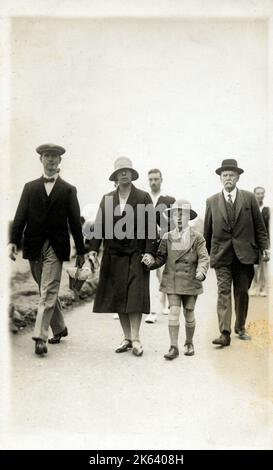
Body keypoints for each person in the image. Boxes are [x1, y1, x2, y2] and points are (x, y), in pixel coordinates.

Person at [8, 143, 85, 356]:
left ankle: (40, 337)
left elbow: (75, 223)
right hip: (33, 245)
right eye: (47, 156)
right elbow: (20, 215)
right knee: (46, 290)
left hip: (56, 247)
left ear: (60, 161)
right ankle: (59, 328)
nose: (50, 160)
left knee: (49, 289)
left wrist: (81, 250)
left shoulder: (69, 189)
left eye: (54, 156)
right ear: (40, 160)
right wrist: (13, 241)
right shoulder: (29, 187)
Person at [88, 157, 157, 357]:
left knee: (135, 297)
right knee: (119, 297)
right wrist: (93, 248)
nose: (124, 174)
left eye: (127, 170)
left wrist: (150, 252)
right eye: (120, 171)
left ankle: (136, 339)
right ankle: (126, 338)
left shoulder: (143, 197)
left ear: (132, 174)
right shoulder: (107, 198)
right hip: (114, 255)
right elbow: (99, 225)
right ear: (116, 176)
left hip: (137, 255)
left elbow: (151, 227)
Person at [204, 159, 269, 347]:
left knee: (242, 292)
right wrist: (203, 256)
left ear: (238, 177)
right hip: (221, 255)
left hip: (245, 254)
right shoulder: (212, 202)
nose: (228, 178)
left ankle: (240, 327)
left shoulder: (249, 198)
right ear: (220, 178)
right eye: (225, 175)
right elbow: (207, 232)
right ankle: (224, 333)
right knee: (223, 291)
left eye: (232, 175)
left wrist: (265, 247)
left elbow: (260, 227)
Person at [143, 199, 209, 359]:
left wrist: (201, 271)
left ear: (189, 217)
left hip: (191, 280)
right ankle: (173, 347)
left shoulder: (197, 237)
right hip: (172, 280)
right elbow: (161, 258)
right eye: (175, 214)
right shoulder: (167, 237)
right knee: (173, 312)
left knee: (189, 313)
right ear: (171, 218)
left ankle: (189, 342)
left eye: (183, 214)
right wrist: (151, 263)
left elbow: (204, 257)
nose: (179, 218)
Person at [145, 168, 175, 324]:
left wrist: (162, 230)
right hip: (148, 243)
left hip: (163, 242)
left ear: (161, 180)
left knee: (162, 275)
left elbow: (173, 222)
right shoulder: (144, 198)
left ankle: (163, 303)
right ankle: (153, 309)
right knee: (150, 275)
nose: (153, 182)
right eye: (150, 179)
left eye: (156, 179)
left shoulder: (168, 199)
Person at [249, 186, 270, 297]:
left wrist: (267, 245)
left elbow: (268, 228)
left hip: (263, 241)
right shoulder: (250, 208)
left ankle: (262, 288)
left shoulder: (267, 210)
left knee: (263, 266)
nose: (260, 195)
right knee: (254, 266)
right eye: (258, 193)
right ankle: (253, 287)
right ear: (254, 194)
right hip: (252, 242)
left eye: (262, 193)